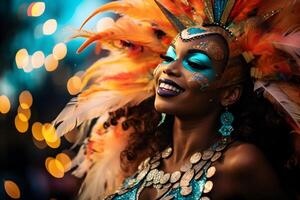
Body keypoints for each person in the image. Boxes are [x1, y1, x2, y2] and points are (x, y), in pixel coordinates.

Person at [53, 0, 300, 199]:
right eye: (169, 57)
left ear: (229, 94)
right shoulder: (143, 161)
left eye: (195, 63)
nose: (170, 69)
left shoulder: (241, 162)